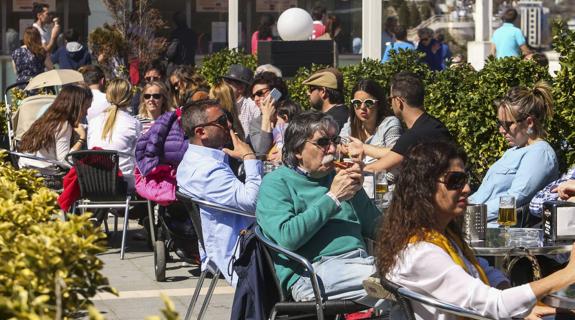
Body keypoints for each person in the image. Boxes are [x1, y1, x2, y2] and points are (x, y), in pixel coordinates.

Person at [377, 140, 574, 320]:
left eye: (465, 179)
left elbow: (484, 272)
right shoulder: (421, 252)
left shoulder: (442, 235)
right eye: (455, 181)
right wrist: (566, 275)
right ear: (423, 187)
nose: (467, 189)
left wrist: (518, 306)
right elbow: (494, 304)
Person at [256, 110, 381, 302]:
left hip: (359, 263)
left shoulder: (339, 177)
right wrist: (332, 198)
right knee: (397, 285)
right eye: (323, 142)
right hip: (312, 273)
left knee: (418, 280)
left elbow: (377, 228)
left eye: (335, 140)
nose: (332, 149)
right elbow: (287, 238)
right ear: (298, 150)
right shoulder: (276, 182)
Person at [177, 99, 262, 285]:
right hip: (242, 252)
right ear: (201, 132)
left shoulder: (197, 159)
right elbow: (253, 203)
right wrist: (249, 156)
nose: (229, 125)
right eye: (222, 121)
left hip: (241, 240)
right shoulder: (205, 170)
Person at [469, 82, 558, 223]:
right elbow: (483, 195)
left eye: (507, 124)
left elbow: (514, 199)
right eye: (500, 123)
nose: (501, 130)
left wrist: (469, 214)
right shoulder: (514, 151)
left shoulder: (540, 153)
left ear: (529, 122)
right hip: (475, 226)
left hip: (496, 234)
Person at [356, 72, 452, 173]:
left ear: (398, 101)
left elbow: (377, 168)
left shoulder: (414, 136)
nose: (391, 104)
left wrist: (351, 169)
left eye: (390, 99)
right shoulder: (434, 125)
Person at [18, 84, 92, 168]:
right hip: (46, 175)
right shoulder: (63, 125)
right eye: (85, 108)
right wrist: (82, 138)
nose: (86, 113)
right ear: (75, 107)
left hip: (25, 170)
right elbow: (65, 162)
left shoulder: (46, 118)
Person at [88, 78, 142, 190]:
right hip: (124, 182)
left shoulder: (93, 122)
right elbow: (139, 156)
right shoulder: (134, 123)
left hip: (94, 182)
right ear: (129, 97)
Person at [340, 79, 403, 167]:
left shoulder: (390, 123)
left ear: (379, 104)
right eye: (357, 103)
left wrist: (363, 148)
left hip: (383, 179)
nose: (362, 107)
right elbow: (339, 145)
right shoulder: (351, 123)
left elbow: (397, 153)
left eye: (368, 103)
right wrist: (342, 148)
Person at [248, 71, 288, 155]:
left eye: (259, 93)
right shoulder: (255, 123)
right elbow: (261, 151)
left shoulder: (291, 113)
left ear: (275, 92)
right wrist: (266, 117)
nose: (256, 99)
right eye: (253, 96)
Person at [302, 68, 349, 132]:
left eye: (311, 89)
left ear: (323, 91)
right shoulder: (348, 113)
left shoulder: (328, 122)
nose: (308, 93)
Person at [222, 64, 261, 135]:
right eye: (225, 81)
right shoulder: (220, 104)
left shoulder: (252, 106)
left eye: (229, 82)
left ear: (241, 88)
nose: (224, 86)